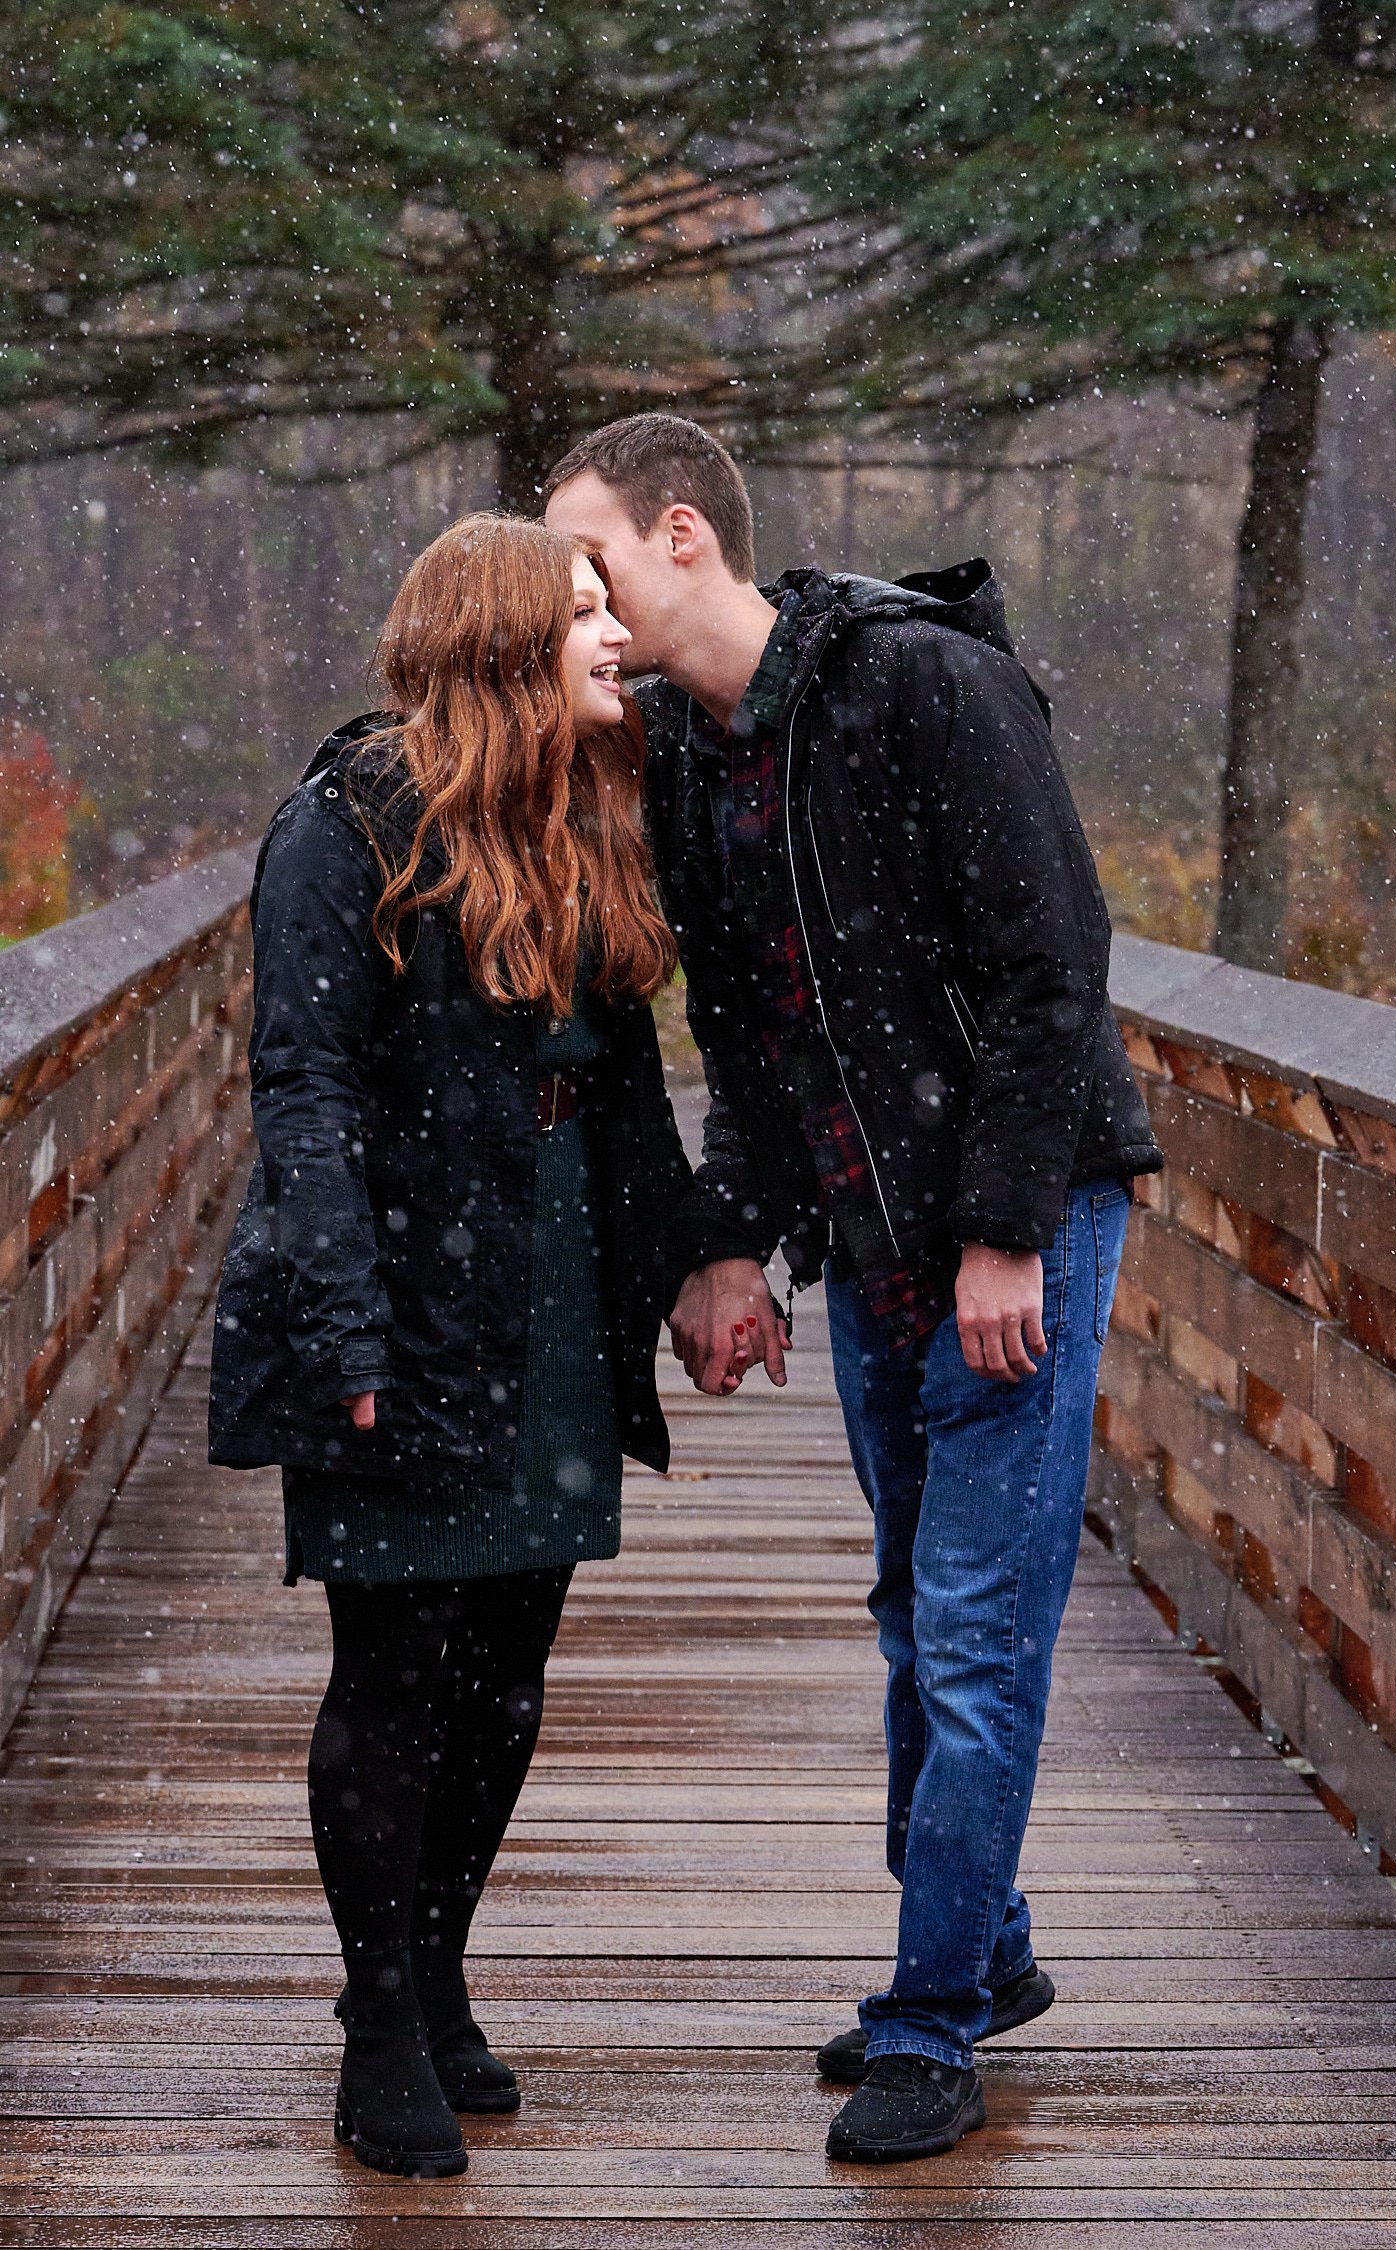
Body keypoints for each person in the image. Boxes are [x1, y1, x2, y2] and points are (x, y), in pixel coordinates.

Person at [544, 417, 1162, 2164]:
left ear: (681, 535)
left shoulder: (921, 685)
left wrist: (1007, 1230)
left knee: (973, 1623)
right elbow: (743, 1030)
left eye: (586, 558)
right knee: (911, 1602)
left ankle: (931, 2017)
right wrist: (725, 1237)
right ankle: (986, 1943)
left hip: (1019, 1223)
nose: (571, 595)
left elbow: (1058, 969)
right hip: (874, 1237)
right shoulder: (677, 748)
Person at [208, 515, 688, 2179]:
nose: (612, 638)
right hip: (406, 1291)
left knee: (506, 1674)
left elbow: (623, 1086)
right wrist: (346, 1320)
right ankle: (377, 2016)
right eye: (580, 617)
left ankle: (439, 1961)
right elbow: (305, 1089)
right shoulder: (343, 827)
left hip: (549, 1279)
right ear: (498, 645)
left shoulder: (587, 813)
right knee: (397, 1673)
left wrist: (692, 1262)